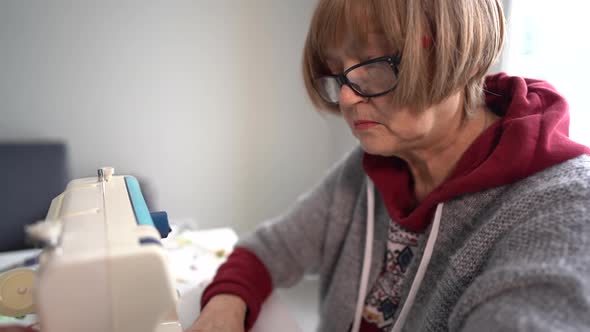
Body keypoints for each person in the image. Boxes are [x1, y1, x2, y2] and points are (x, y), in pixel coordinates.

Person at [188, 0, 590, 331]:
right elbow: (269, 250)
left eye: (374, 63)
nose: (346, 98)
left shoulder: (566, 210)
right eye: (337, 70)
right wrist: (225, 303)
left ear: (459, 51)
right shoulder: (368, 170)